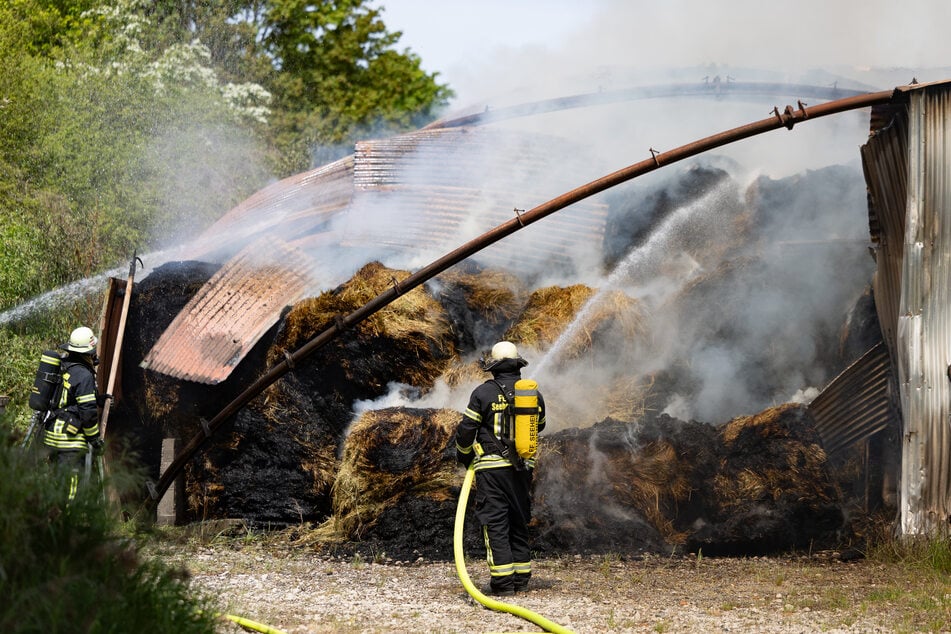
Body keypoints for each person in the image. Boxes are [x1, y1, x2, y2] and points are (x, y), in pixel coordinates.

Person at [455, 341, 546, 596]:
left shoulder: (483, 393)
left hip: (492, 470)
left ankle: (503, 583)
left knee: (495, 522)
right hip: (522, 469)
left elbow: (466, 431)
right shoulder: (533, 395)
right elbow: (539, 425)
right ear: (518, 366)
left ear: (493, 368)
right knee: (518, 520)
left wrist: (464, 456)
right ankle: (521, 578)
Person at [42, 326, 106, 502]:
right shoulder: (84, 374)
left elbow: (68, 398)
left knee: (57, 483)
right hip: (69, 441)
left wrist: (98, 399)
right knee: (72, 488)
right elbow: (88, 413)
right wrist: (94, 439)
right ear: (89, 351)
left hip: (53, 436)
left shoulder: (65, 366)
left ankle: (52, 515)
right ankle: (69, 517)